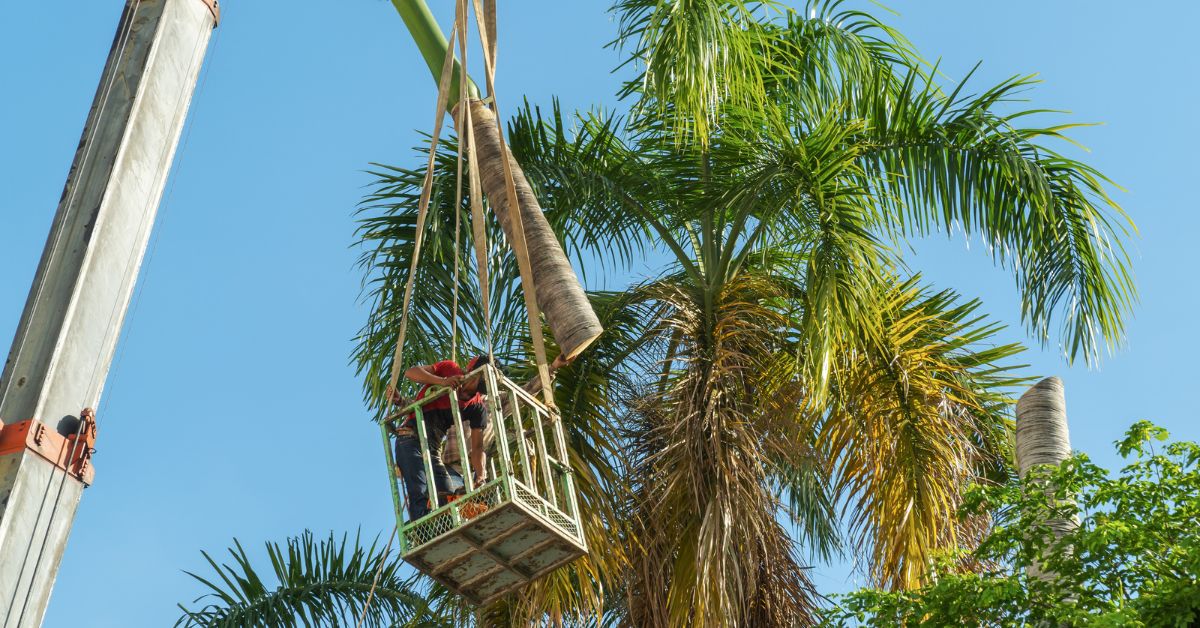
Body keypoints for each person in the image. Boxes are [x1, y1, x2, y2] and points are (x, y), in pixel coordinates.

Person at [390, 354, 492, 521]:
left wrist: (480, 475)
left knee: (446, 496)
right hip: (410, 438)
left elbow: (478, 448)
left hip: (432, 448)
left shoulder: (476, 407)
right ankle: (421, 531)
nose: (467, 389)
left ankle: (440, 530)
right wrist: (443, 381)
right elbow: (411, 372)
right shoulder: (449, 369)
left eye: (476, 385)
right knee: (419, 491)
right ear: (470, 370)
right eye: (472, 378)